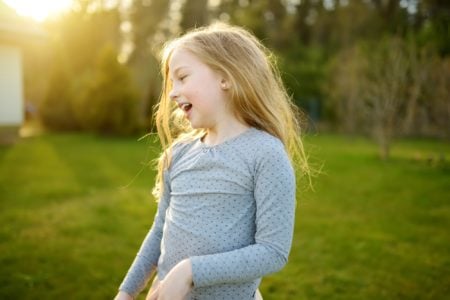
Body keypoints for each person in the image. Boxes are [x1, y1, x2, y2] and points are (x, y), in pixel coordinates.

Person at [114, 22, 310, 300]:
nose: (171, 93)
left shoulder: (265, 153)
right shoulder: (177, 155)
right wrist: (126, 293)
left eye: (182, 77)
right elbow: (159, 231)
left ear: (225, 77)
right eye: (171, 83)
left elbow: (272, 251)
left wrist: (190, 271)